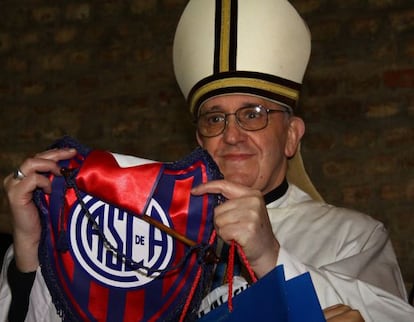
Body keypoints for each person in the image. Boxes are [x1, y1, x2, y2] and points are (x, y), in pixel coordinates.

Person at [0, 0, 413, 321]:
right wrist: (32, 249)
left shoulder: (352, 236)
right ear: (199, 139)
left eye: (254, 114)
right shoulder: (146, 228)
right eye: (216, 118)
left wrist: (269, 256)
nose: (232, 134)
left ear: (291, 136)